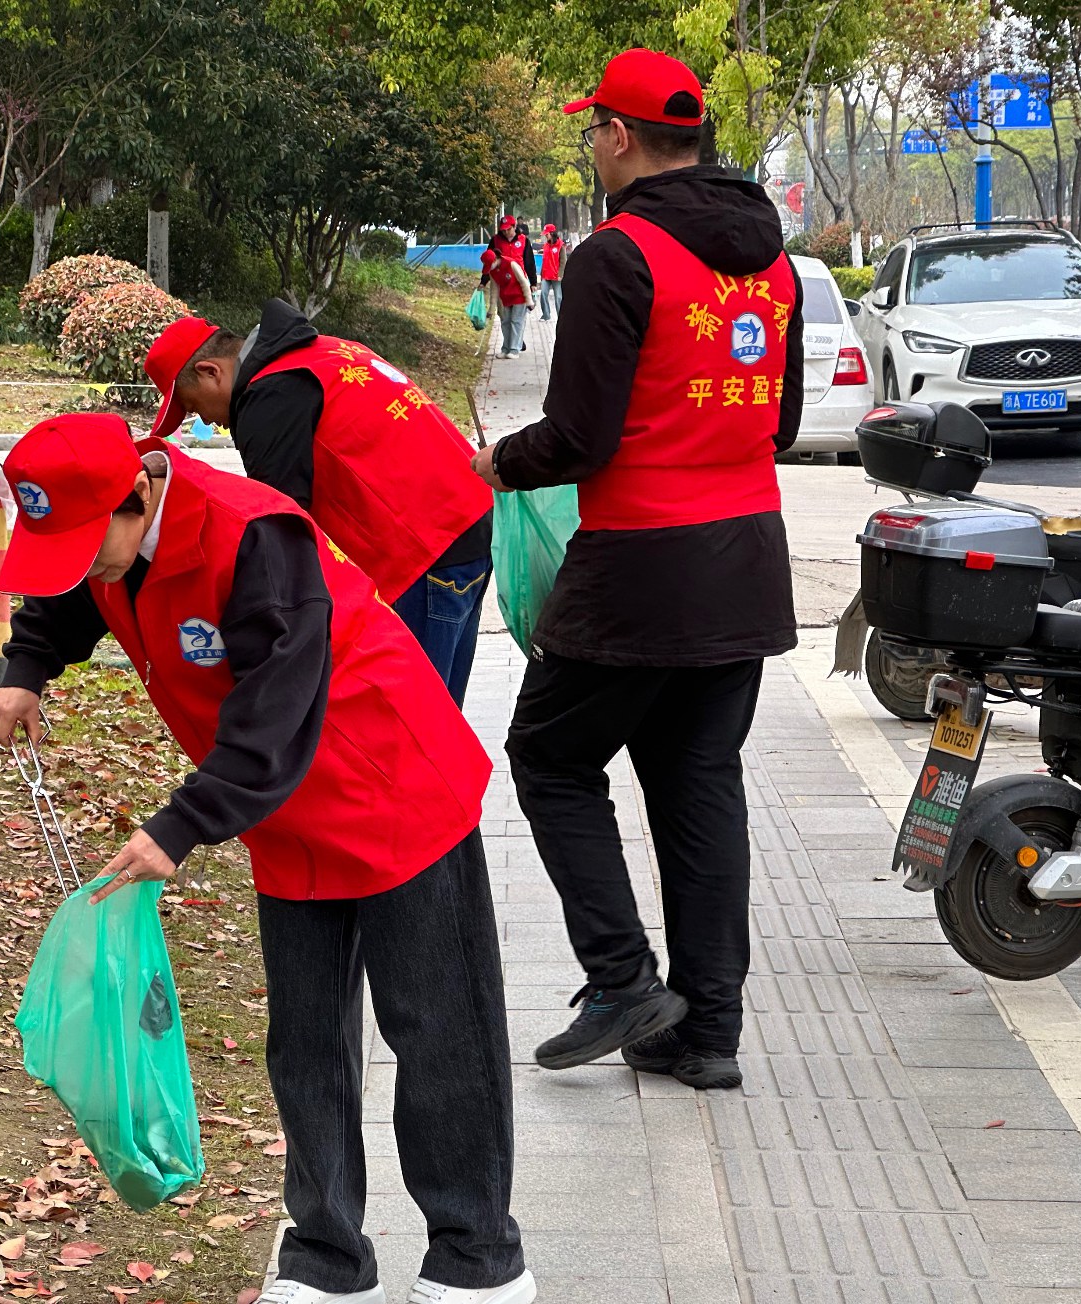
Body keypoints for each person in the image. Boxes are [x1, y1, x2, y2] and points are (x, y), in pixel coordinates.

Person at [0, 414, 534, 1304]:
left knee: (439, 1031)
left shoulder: (253, 536)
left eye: (91, 548)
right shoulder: (113, 545)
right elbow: (66, 597)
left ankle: (477, 1258)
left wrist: (179, 825)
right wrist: (25, 668)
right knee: (305, 1041)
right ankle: (325, 1256)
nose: (86, 570)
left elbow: (277, 709)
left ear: (140, 494)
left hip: (389, 783)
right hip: (282, 816)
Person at [471, 48, 805, 1092]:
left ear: (617, 137)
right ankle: (705, 1031)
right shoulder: (775, 262)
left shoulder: (618, 255)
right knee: (698, 782)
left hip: (638, 564)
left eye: (590, 132)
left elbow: (577, 436)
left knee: (548, 754)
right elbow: (782, 423)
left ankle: (618, 977)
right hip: (746, 558)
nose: (591, 147)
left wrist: (495, 459)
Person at [142, 302, 494, 706]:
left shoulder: (270, 392)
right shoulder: (324, 351)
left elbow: (278, 521)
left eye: (191, 405)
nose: (206, 419)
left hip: (423, 551)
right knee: (440, 717)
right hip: (467, 526)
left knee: (418, 724)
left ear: (210, 372)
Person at [480, 216, 535, 352]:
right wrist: (484, 281)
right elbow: (489, 262)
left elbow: (529, 261)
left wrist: (533, 282)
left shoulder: (523, 240)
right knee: (504, 317)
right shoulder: (495, 240)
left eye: (508, 229)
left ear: (514, 227)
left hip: (518, 283)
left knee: (517, 318)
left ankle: (515, 344)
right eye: (503, 230)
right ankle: (509, 343)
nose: (506, 232)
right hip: (502, 284)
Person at [481, 248, 530, 360]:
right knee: (505, 321)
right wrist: (491, 309)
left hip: (519, 296)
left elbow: (524, 282)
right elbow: (494, 290)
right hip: (506, 298)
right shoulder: (493, 271)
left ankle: (514, 349)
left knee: (516, 322)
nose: (490, 268)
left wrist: (529, 300)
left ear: (495, 259)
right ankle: (506, 348)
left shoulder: (511, 264)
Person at [538, 224, 565, 321]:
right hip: (546, 275)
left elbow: (563, 261)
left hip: (556, 276)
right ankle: (546, 315)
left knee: (558, 297)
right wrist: (541, 274)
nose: (546, 236)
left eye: (547, 234)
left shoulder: (561, 246)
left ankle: (561, 317)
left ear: (552, 233)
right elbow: (544, 260)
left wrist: (560, 274)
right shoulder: (545, 246)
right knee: (543, 294)